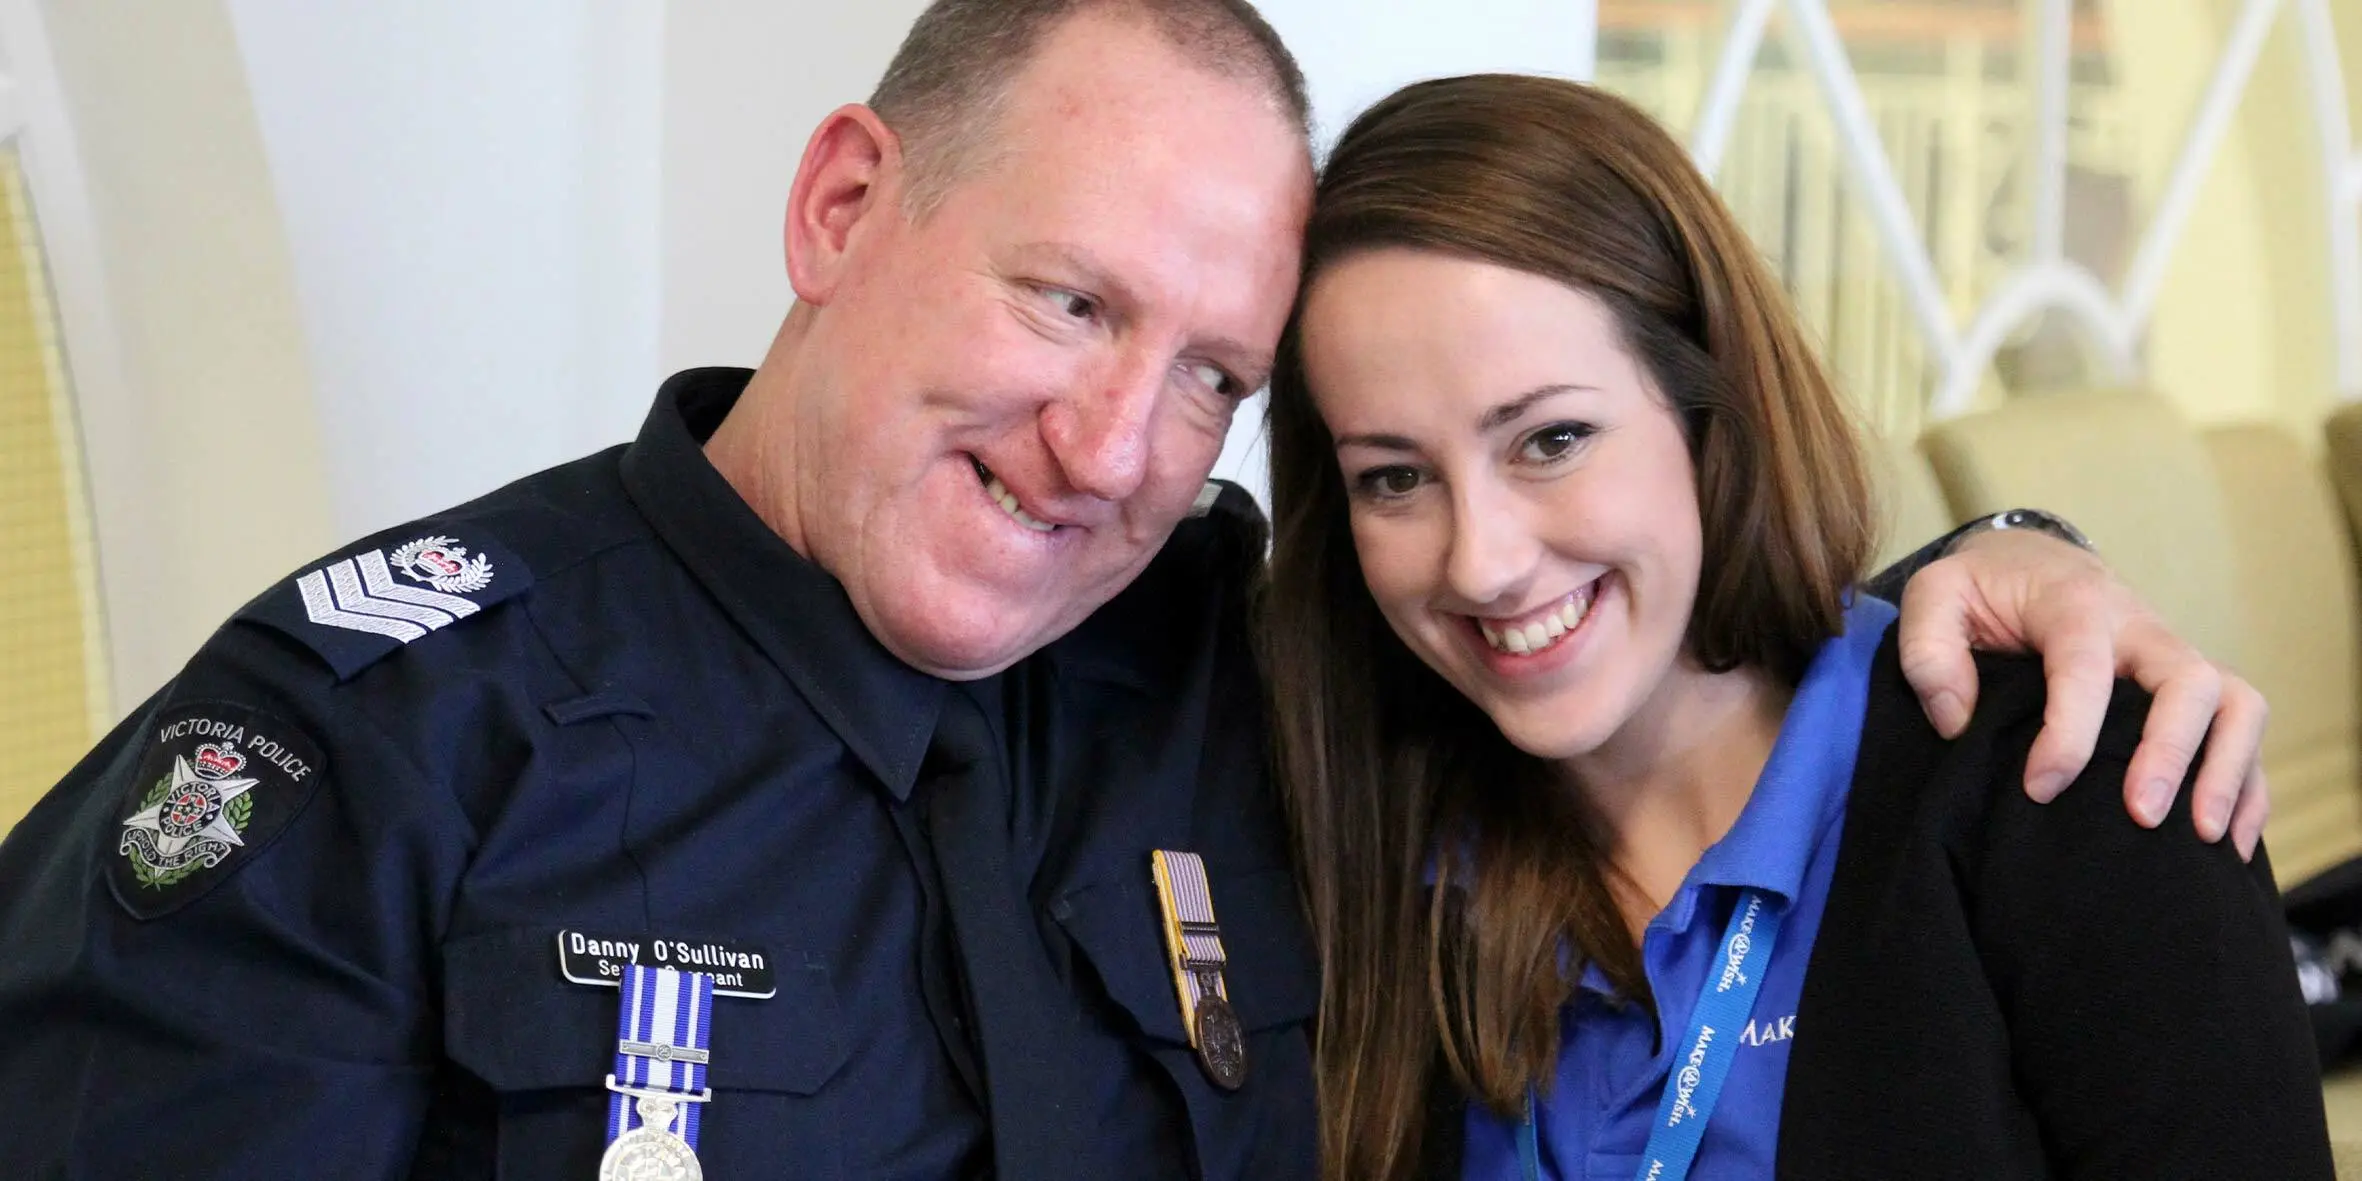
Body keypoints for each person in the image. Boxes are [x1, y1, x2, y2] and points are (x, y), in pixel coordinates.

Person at [0, 4, 2271, 1178]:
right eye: (1066, 303)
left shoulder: (1239, 655)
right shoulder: (382, 746)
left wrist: (2003, 569)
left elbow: (1647, 658)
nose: (1112, 451)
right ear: (837, 209)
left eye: (1209, 377)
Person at [1263, 73, 2329, 1181]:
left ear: (1709, 409)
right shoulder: (1361, 844)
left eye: (1550, 439)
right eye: (1392, 476)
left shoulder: (2071, 782)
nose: (1479, 558)